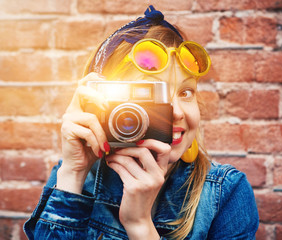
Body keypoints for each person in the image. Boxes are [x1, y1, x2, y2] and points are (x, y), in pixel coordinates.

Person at [24, 5, 259, 240]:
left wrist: (139, 225)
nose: (176, 111)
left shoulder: (225, 192)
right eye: (154, 95)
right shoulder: (74, 175)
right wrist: (73, 174)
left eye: (186, 92)